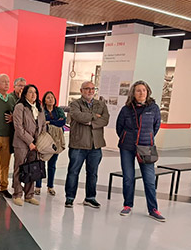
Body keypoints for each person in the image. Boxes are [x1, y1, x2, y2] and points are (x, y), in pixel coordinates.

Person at [115, 80, 165, 221]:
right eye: (138, 90)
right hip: (127, 147)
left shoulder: (153, 108)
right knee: (128, 178)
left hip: (146, 147)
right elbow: (120, 127)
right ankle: (127, 205)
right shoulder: (126, 109)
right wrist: (127, 137)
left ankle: (153, 209)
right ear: (133, 93)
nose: (141, 93)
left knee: (149, 180)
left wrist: (146, 137)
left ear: (147, 92)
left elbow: (156, 126)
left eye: (144, 90)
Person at [64, 82, 109, 207]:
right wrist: (95, 116)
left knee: (93, 173)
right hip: (78, 145)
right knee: (73, 172)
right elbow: (78, 116)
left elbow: (105, 120)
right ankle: (70, 197)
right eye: (87, 89)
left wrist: (91, 123)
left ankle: (90, 197)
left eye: (92, 89)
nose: (90, 91)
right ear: (81, 90)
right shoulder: (74, 104)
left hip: (95, 145)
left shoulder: (101, 104)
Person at [12, 84, 46, 206]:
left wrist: (39, 142)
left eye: (35, 92)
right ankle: (17, 194)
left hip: (36, 144)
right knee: (19, 168)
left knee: (32, 168)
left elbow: (43, 126)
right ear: (25, 94)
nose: (33, 95)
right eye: (30, 92)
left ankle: (29, 195)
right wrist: (30, 142)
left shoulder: (39, 107)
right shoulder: (20, 107)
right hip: (22, 143)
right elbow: (18, 128)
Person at [35, 91, 66, 196]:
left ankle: (50, 186)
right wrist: (53, 122)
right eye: (48, 97)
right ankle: (38, 186)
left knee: (52, 165)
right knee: (41, 163)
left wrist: (50, 122)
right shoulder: (41, 111)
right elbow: (41, 122)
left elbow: (62, 122)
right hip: (44, 140)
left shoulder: (59, 110)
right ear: (44, 100)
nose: (50, 99)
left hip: (56, 140)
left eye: (52, 97)